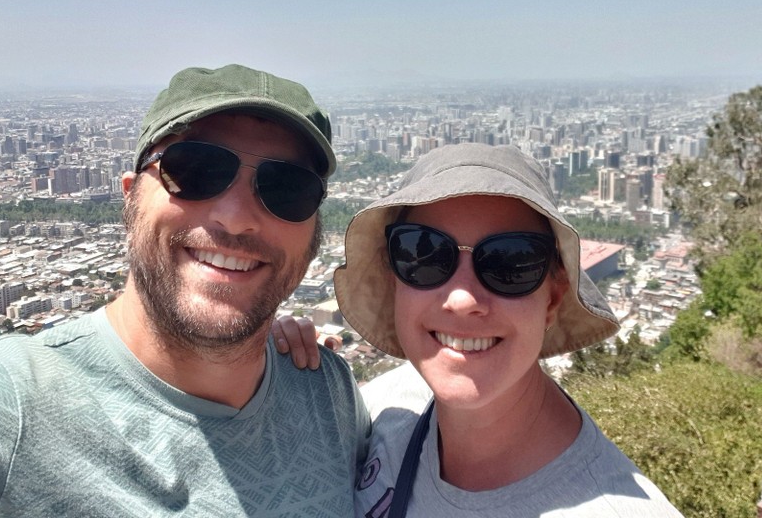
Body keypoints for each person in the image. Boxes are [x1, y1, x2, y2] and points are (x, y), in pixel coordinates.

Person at [0, 64, 370, 518]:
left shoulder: (326, 394)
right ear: (129, 197)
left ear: (315, 231)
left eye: (287, 188)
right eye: (196, 170)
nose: (236, 217)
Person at [276, 143, 683, 516]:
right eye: (424, 253)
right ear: (393, 278)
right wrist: (267, 363)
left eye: (510, 263)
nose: (462, 299)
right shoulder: (383, 407)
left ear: (553, 298)